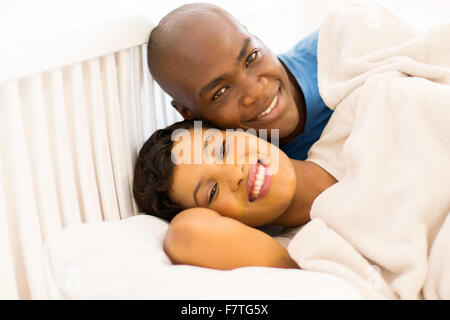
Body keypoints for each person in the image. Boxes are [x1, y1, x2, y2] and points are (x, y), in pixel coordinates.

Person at [133, 120, 337, 270]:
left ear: (239, 131)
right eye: (212, 192)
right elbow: (186, 235)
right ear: (218, 218)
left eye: (222, 149)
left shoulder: (353, 120)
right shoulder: (304, 253)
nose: (234, 173)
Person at [147, 3, 333, 160]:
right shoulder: (239, 177)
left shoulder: (340, 51)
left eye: (251, 57)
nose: (256, 91)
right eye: (221, 92)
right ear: (189, 114)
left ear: (258, 39)